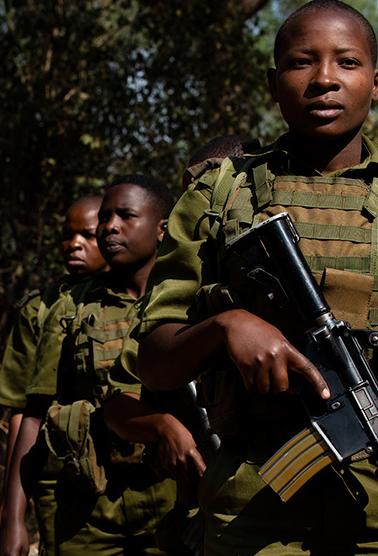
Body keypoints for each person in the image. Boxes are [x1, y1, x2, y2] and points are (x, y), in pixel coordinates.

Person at [132, 2, 378, 554]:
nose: (325, 79)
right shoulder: (219, 195)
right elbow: (155, 361)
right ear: (273, 83)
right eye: (303, 62)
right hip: (253, 506)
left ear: (375, 84)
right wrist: (225, 327)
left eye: (347, 63)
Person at [0, 174, 176, 556]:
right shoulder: (70, 307)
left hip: (173, 501)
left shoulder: (187, 301)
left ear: (163, 229)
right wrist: (12, 516)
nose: (109, 227)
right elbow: (33, 412)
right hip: (86, 504)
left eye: (126, 216)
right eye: (105, 218)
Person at [102, 135, 256, 556]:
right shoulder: (180, 293)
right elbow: (120, 399)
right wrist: (165, 428)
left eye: (211, 183)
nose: (201, 198)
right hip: (212, 508)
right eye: (194, 187)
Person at [0, 195, 108, 555]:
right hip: (58, 474)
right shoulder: (40, 309)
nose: (74, 245)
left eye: (87, 235)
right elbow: (21, 410)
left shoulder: (145, 295)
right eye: (67, 235)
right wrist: (12, 511)